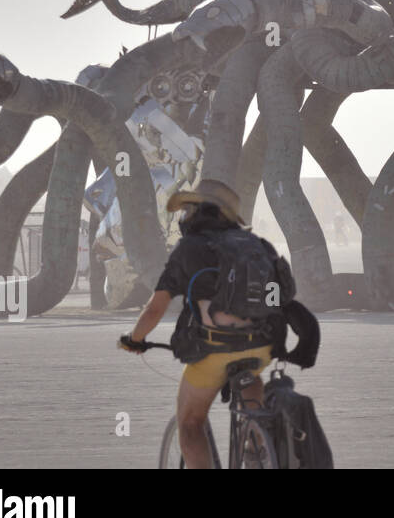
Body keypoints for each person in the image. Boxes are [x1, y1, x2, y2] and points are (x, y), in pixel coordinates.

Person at [117, 180, 295, 469]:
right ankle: (258, 446)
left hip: (215, 350)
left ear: (201, 213)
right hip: (262, 345)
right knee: (250, 385)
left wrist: (134, 339)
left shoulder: (189, 249)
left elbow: (154, 310)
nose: (184, 215)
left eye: (188, 208)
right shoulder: (257, 245)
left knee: (189, 423)